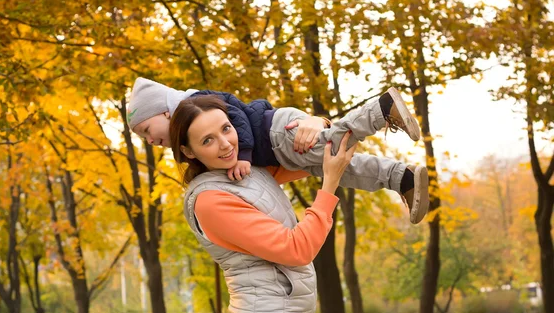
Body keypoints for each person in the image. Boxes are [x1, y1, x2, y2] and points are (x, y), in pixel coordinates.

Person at [170, 95, 357, 313]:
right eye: (208, 140)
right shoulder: (210, 200)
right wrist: (330, 184)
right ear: (187, 151)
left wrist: (316, 121)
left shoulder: (248, 173)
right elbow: (297, 249)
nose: (225, 144)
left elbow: (318, 156)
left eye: (226, 129)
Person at [129, 77, 429, 224]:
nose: (149, 140)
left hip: (276, 134)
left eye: (146, 130)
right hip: (278, 148)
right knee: (340, 167)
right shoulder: (192, 135)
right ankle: (401, 178)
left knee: (332, 145)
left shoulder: (199, 103)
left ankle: (381, 109)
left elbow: (239, 119)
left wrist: (243, 157)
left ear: (165, 113)